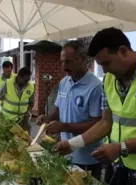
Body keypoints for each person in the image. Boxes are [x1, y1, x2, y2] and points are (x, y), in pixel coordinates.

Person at [54, 27, 136, 185]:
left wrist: (121, 147)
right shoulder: (109, 80)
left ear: (123, 51)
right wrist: (73, 144)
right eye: (101, 65)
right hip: (118, 166)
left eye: (107, 63)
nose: (105, 70)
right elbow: (105, 122)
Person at [36, 40, 103, 179]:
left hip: (87, 159)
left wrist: (64, 126)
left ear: (83, 59)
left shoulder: (96, 87)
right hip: (64, 152)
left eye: (68, 62)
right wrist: (47, 118)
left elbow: (97, 124)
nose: (64, 67)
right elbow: (58, 108)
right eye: (62, 62)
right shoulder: (64, 82)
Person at [0, 67, 34, 132]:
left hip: (22, 120)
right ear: (19, 77)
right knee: (7, 138)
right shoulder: (8, 83)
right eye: (25, 80)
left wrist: (28, 113)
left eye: (28, 80)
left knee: (24, 138)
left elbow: (31, 103)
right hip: (8, 120)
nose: (27, 82)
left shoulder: (31, 86)